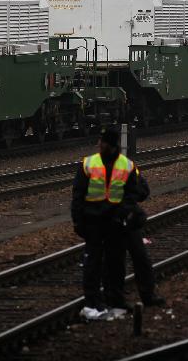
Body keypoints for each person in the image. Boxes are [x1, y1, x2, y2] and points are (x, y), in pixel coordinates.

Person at [72, 127, 139, 320]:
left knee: (115, 264)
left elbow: (132, 195)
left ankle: (114, 301)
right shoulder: (89, 164)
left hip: (114, 223)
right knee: (94, 264)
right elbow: (78, 196)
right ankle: (93, 301)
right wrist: (78, 221)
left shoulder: (125, 165)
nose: (98, 144)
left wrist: (123, 214)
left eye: (101, 142)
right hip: (95, 223)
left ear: (109, 144)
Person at [121, 173, 166, 306]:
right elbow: (143, 191)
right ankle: (145, 296)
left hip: (120, 219)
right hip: (121, 219)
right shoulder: (125, 165)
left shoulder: (125, 165)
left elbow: (143, 191)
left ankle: (116, 300)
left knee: (118, 262)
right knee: (138, 259)